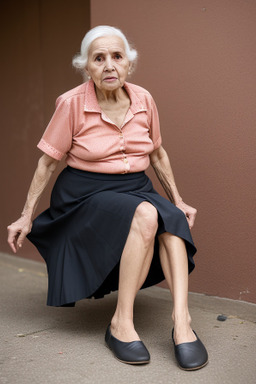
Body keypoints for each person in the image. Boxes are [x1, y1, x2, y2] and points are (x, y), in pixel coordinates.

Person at [7, 25, 208, 370]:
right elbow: (47, 162)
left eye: (117, 56)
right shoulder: (71, 103)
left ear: (129, 62)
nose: (109, 65)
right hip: (86, 192)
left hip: (135, 187)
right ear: (86, 67)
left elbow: (157, 154)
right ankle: (121, 324)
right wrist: (26, 215)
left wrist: (178, 199)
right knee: (146, 215)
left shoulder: (143, 99)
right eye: (98, 59)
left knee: (171, 221)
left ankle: (182, 323)